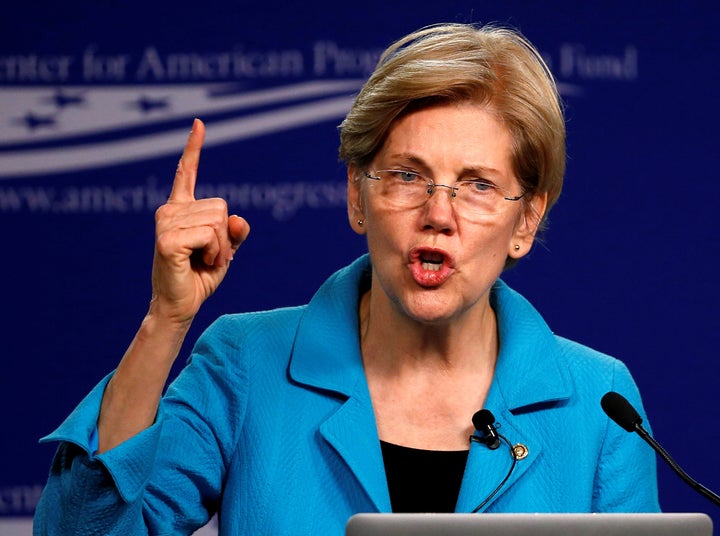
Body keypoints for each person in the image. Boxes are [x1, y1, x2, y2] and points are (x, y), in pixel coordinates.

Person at [33, 23, 660, 535]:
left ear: (525, 219)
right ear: (357, 198)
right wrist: (164, 320)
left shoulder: (602, 403)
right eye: (408, 175)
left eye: (477, 185)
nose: (438, 215)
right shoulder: (245, 363)